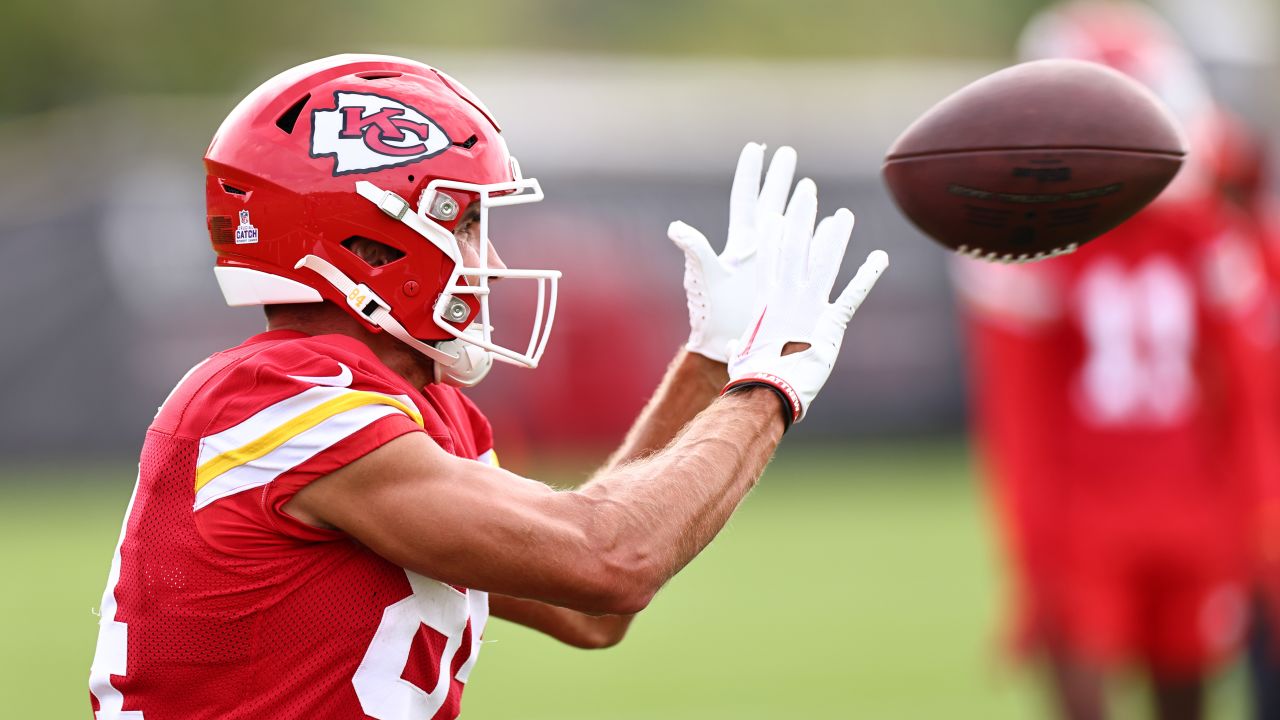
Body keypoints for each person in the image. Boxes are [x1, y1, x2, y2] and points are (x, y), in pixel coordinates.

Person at [86, 54, 888, 720]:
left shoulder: (410, 410)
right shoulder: (279, 397)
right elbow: (609, 559)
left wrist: (714, 361)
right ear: (367, 237)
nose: (491, 262)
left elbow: (589, 608)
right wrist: (768, 385)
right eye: (466, 222)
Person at [958, 4, 1279, 719]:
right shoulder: (1206, 226)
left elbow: (1016, 422)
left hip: (1147, 505)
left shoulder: (1186, 230)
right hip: (1141, 505)